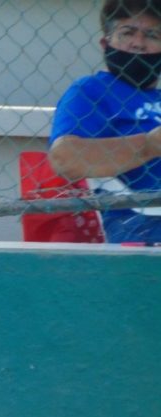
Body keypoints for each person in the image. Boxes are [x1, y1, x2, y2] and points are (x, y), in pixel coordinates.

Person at [48, 0, 161, 244]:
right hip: (142, 224)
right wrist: (150, 145)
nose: (138, 43)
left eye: (152, 35)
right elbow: (65, 158)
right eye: (127, 32)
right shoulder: (91, 91)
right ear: (106, 43)